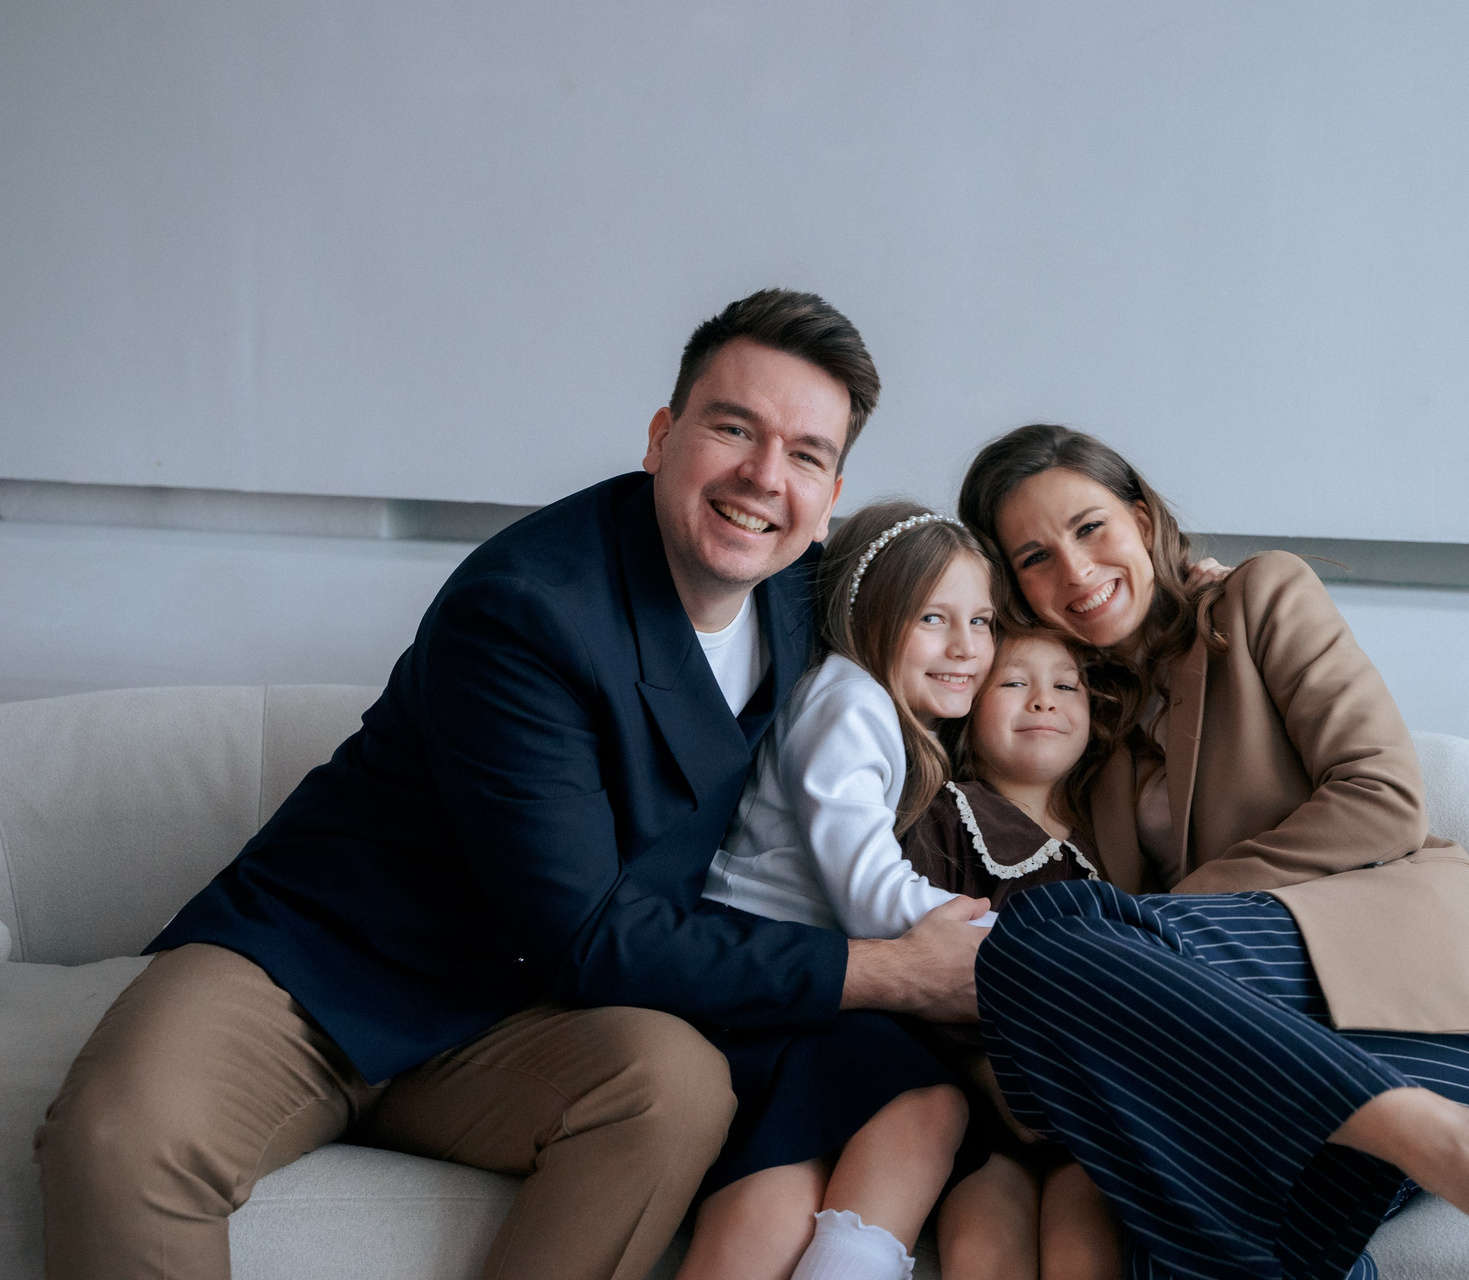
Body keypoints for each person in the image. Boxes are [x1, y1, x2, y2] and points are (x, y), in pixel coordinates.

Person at [32, 289, 989, 1280]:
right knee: (116, 1141)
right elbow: (590, 934)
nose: (763, 476)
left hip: (525, 1018)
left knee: (675, 1087)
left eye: (805, 454)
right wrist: (890, 969)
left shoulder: (804, 591)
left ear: (831, 495)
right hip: (326, 967)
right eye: (733, 427)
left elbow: (960, 630)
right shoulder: (525, 610)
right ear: (661, 437)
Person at [954, 424, 1469, 1280]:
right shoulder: (1081, 732)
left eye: (1090, 527)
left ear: (1142, 521)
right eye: (1035, 557)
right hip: (1273, 1077)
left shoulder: (1258, 597)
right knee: (1155, 1224)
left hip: (1416, 1008)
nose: (1074, 571)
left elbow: (1383, 796)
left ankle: (1466, 1147)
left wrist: (1157, 921)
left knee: (1037, 939)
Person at [697, 501, 1123, 1280]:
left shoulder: (877, 713)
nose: (967, 647)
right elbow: (867, 890)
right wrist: (1009, 946)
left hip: (800, 982)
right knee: (926, 1106)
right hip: (759, 976)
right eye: (933, 618)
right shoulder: (849, 702)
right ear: (869, 614)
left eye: (981, 622)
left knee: (916, 1113)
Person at [901, 626, 1125, 1280]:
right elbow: (918, 972)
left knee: (1087, 1239)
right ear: (969, 707)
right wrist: (985, 1075)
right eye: (1015, 683)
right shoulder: (945, 817)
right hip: (977, 1099)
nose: (1044, 700)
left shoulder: (1110, 841)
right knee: (986, 1244)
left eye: (1065, 686)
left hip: (1082, 1114)